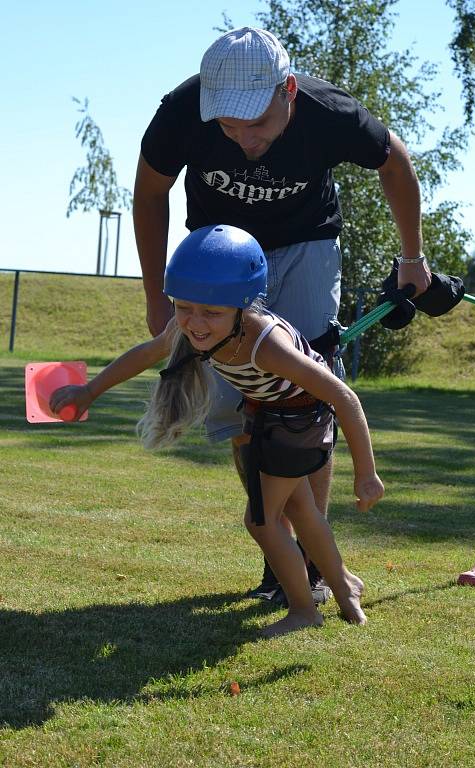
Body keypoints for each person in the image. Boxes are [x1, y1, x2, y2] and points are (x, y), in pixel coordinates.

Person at [133, 26, 427, 603]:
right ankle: (281, 551)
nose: (242, 137)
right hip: (217, 254)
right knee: (239, 408)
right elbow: (149, 193)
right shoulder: (181, 110)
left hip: (305, 246)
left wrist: (412, 257)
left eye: (256, 123)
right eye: (228, 125)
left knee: (303, 399)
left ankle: (314, 565)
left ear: (287, 90)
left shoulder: (329, 112)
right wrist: (154, 296)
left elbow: (396, 164)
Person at [50, 225, 384, 639]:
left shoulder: (267, 343)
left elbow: (344, 398)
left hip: (300, 420)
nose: (196, 323)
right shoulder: (190, 326)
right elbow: (145, 354)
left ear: (243, 308)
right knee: (300, 509)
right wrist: (89, 391)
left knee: (262, 520)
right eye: (184, 307)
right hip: (270, 416)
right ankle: (345, 587)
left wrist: (366, 473)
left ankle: (304, 609)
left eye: (211, 313)